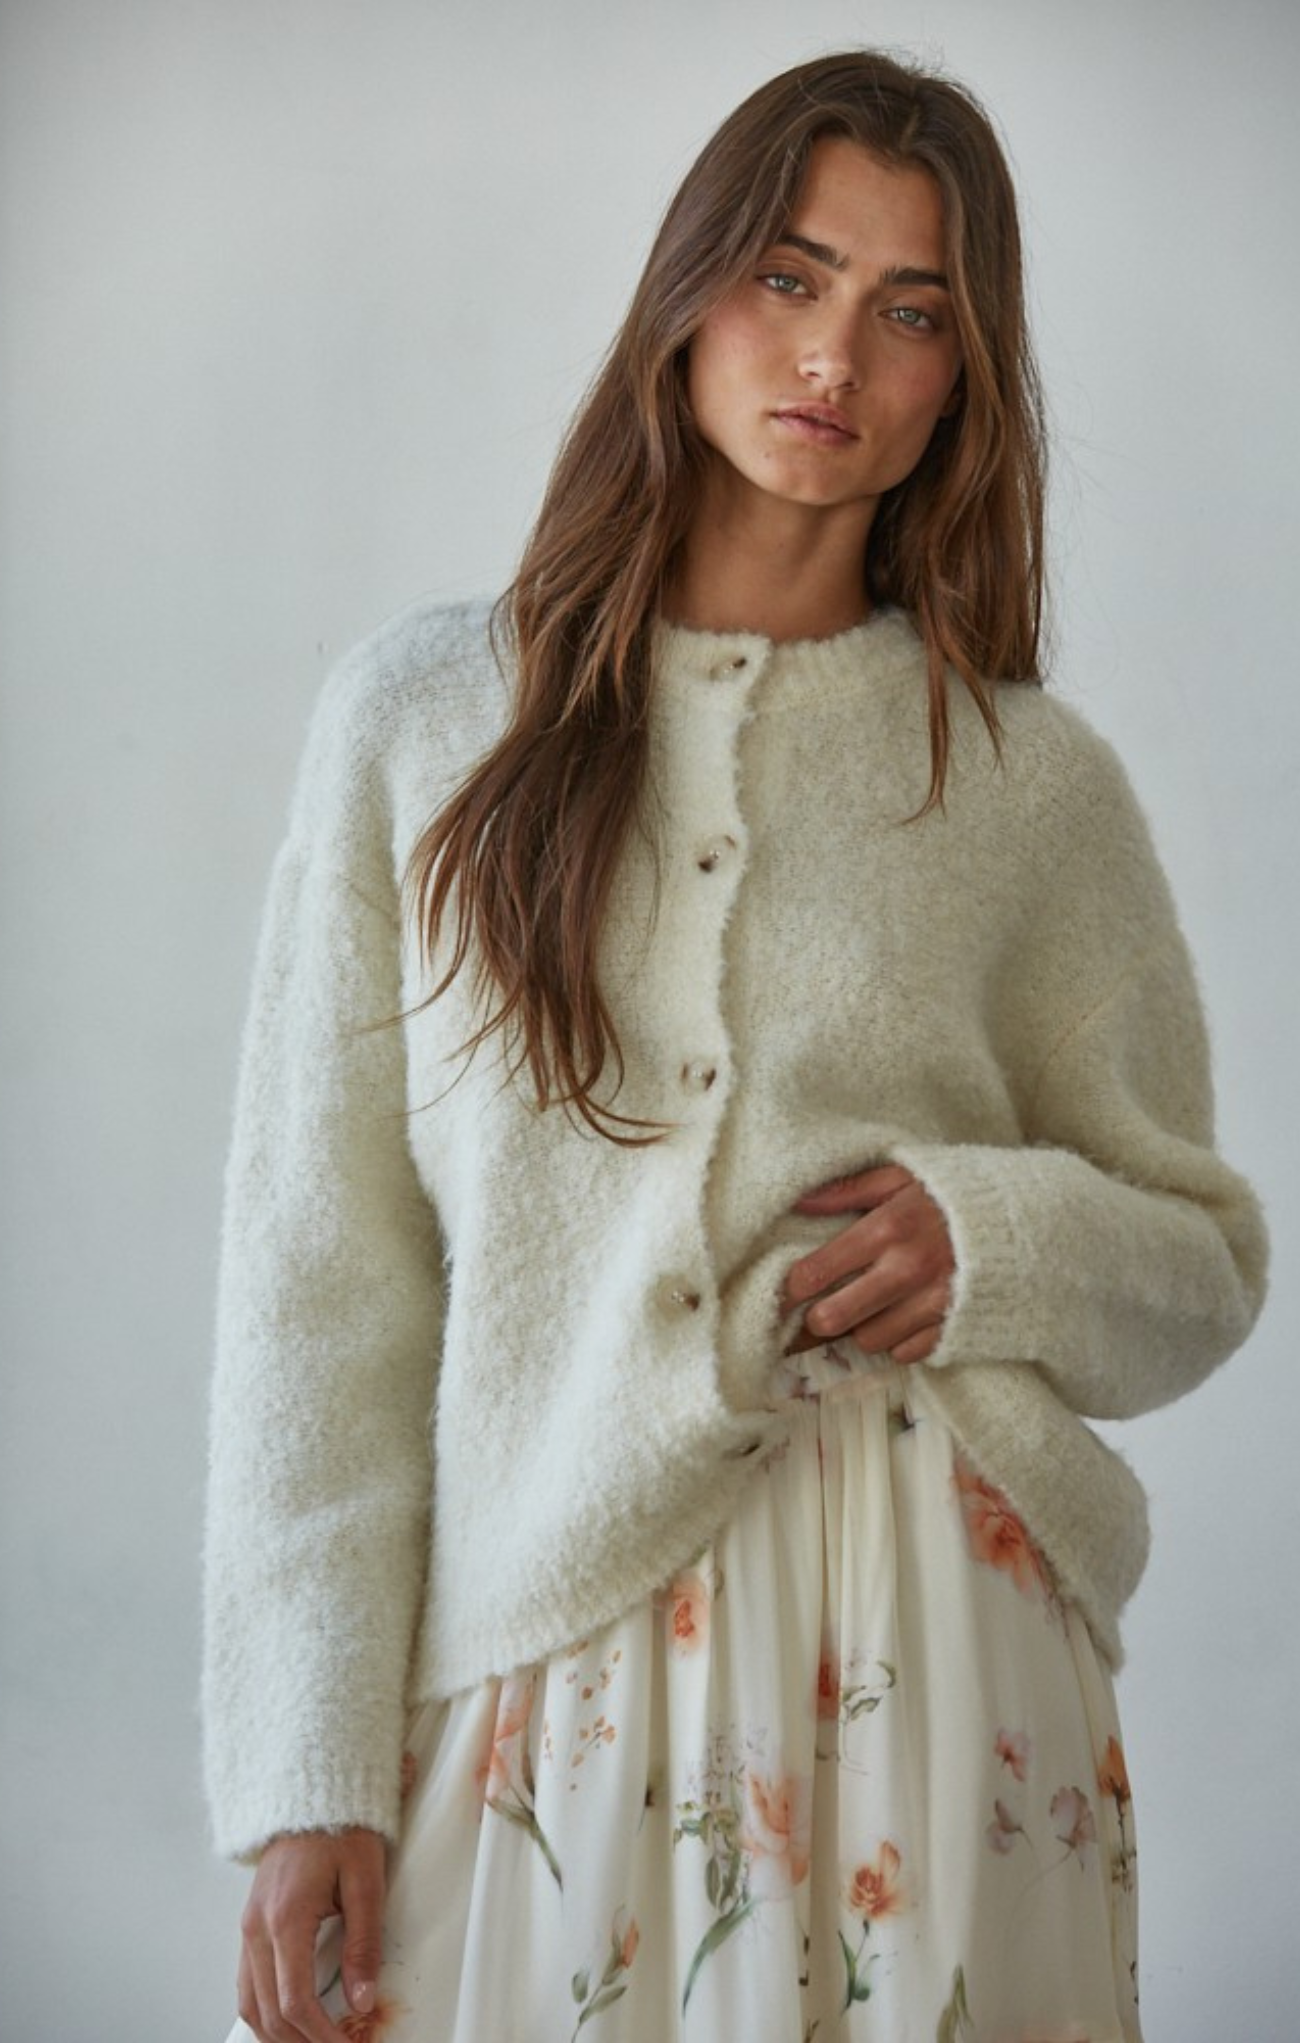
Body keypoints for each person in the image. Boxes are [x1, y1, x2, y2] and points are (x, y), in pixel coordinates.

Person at [203, 49, 1268, 2043]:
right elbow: (318, 1284)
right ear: (683, 295)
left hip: (938, 1638)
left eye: (908, 308)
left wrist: (995, 1232)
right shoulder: (424, 723)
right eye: (788, 276)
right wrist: (303, 1772)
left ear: (961, 374)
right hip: (541, 1656)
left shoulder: (1030, 787)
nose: (831, 354)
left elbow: (1203, 1264)